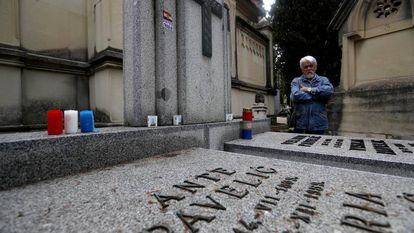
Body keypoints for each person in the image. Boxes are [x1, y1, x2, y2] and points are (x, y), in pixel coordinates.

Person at [290, 55, 333, 134]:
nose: (309, 68)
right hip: (301, 124)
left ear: (315, 67)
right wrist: (319, 96)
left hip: (319, 124)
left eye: (311, 66)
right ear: (302, 69)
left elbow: (328, 91)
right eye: (305, 67)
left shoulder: (323, 80)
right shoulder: (296, 81)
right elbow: (295, 96)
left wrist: (308, 89)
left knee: (319, 146)